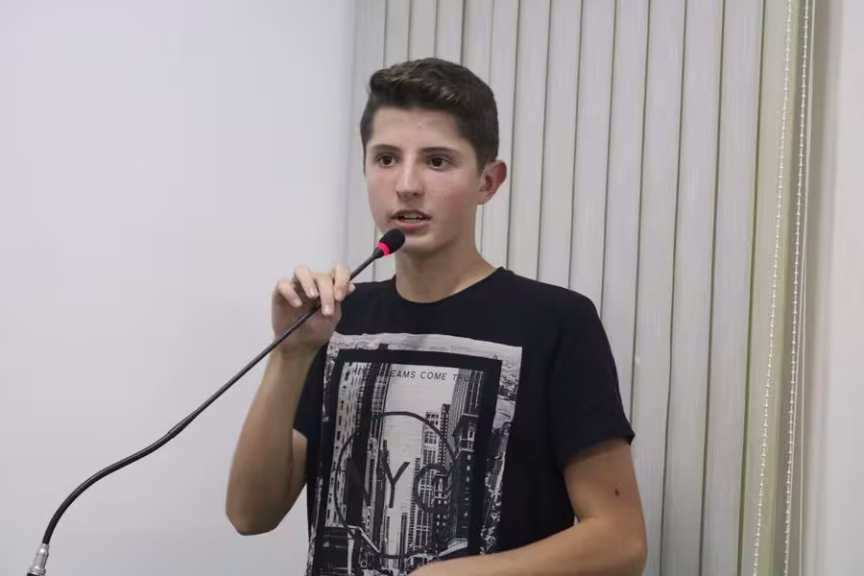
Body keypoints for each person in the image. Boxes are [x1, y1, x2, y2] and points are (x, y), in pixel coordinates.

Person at [226, 57, 647, 576]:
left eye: (437, 161)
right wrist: (291, 353)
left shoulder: (556, 321)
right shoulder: (335, 320)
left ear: (488, 182)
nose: (406, 184)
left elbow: (622, 541)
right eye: (386, 158)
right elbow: (250, 514)